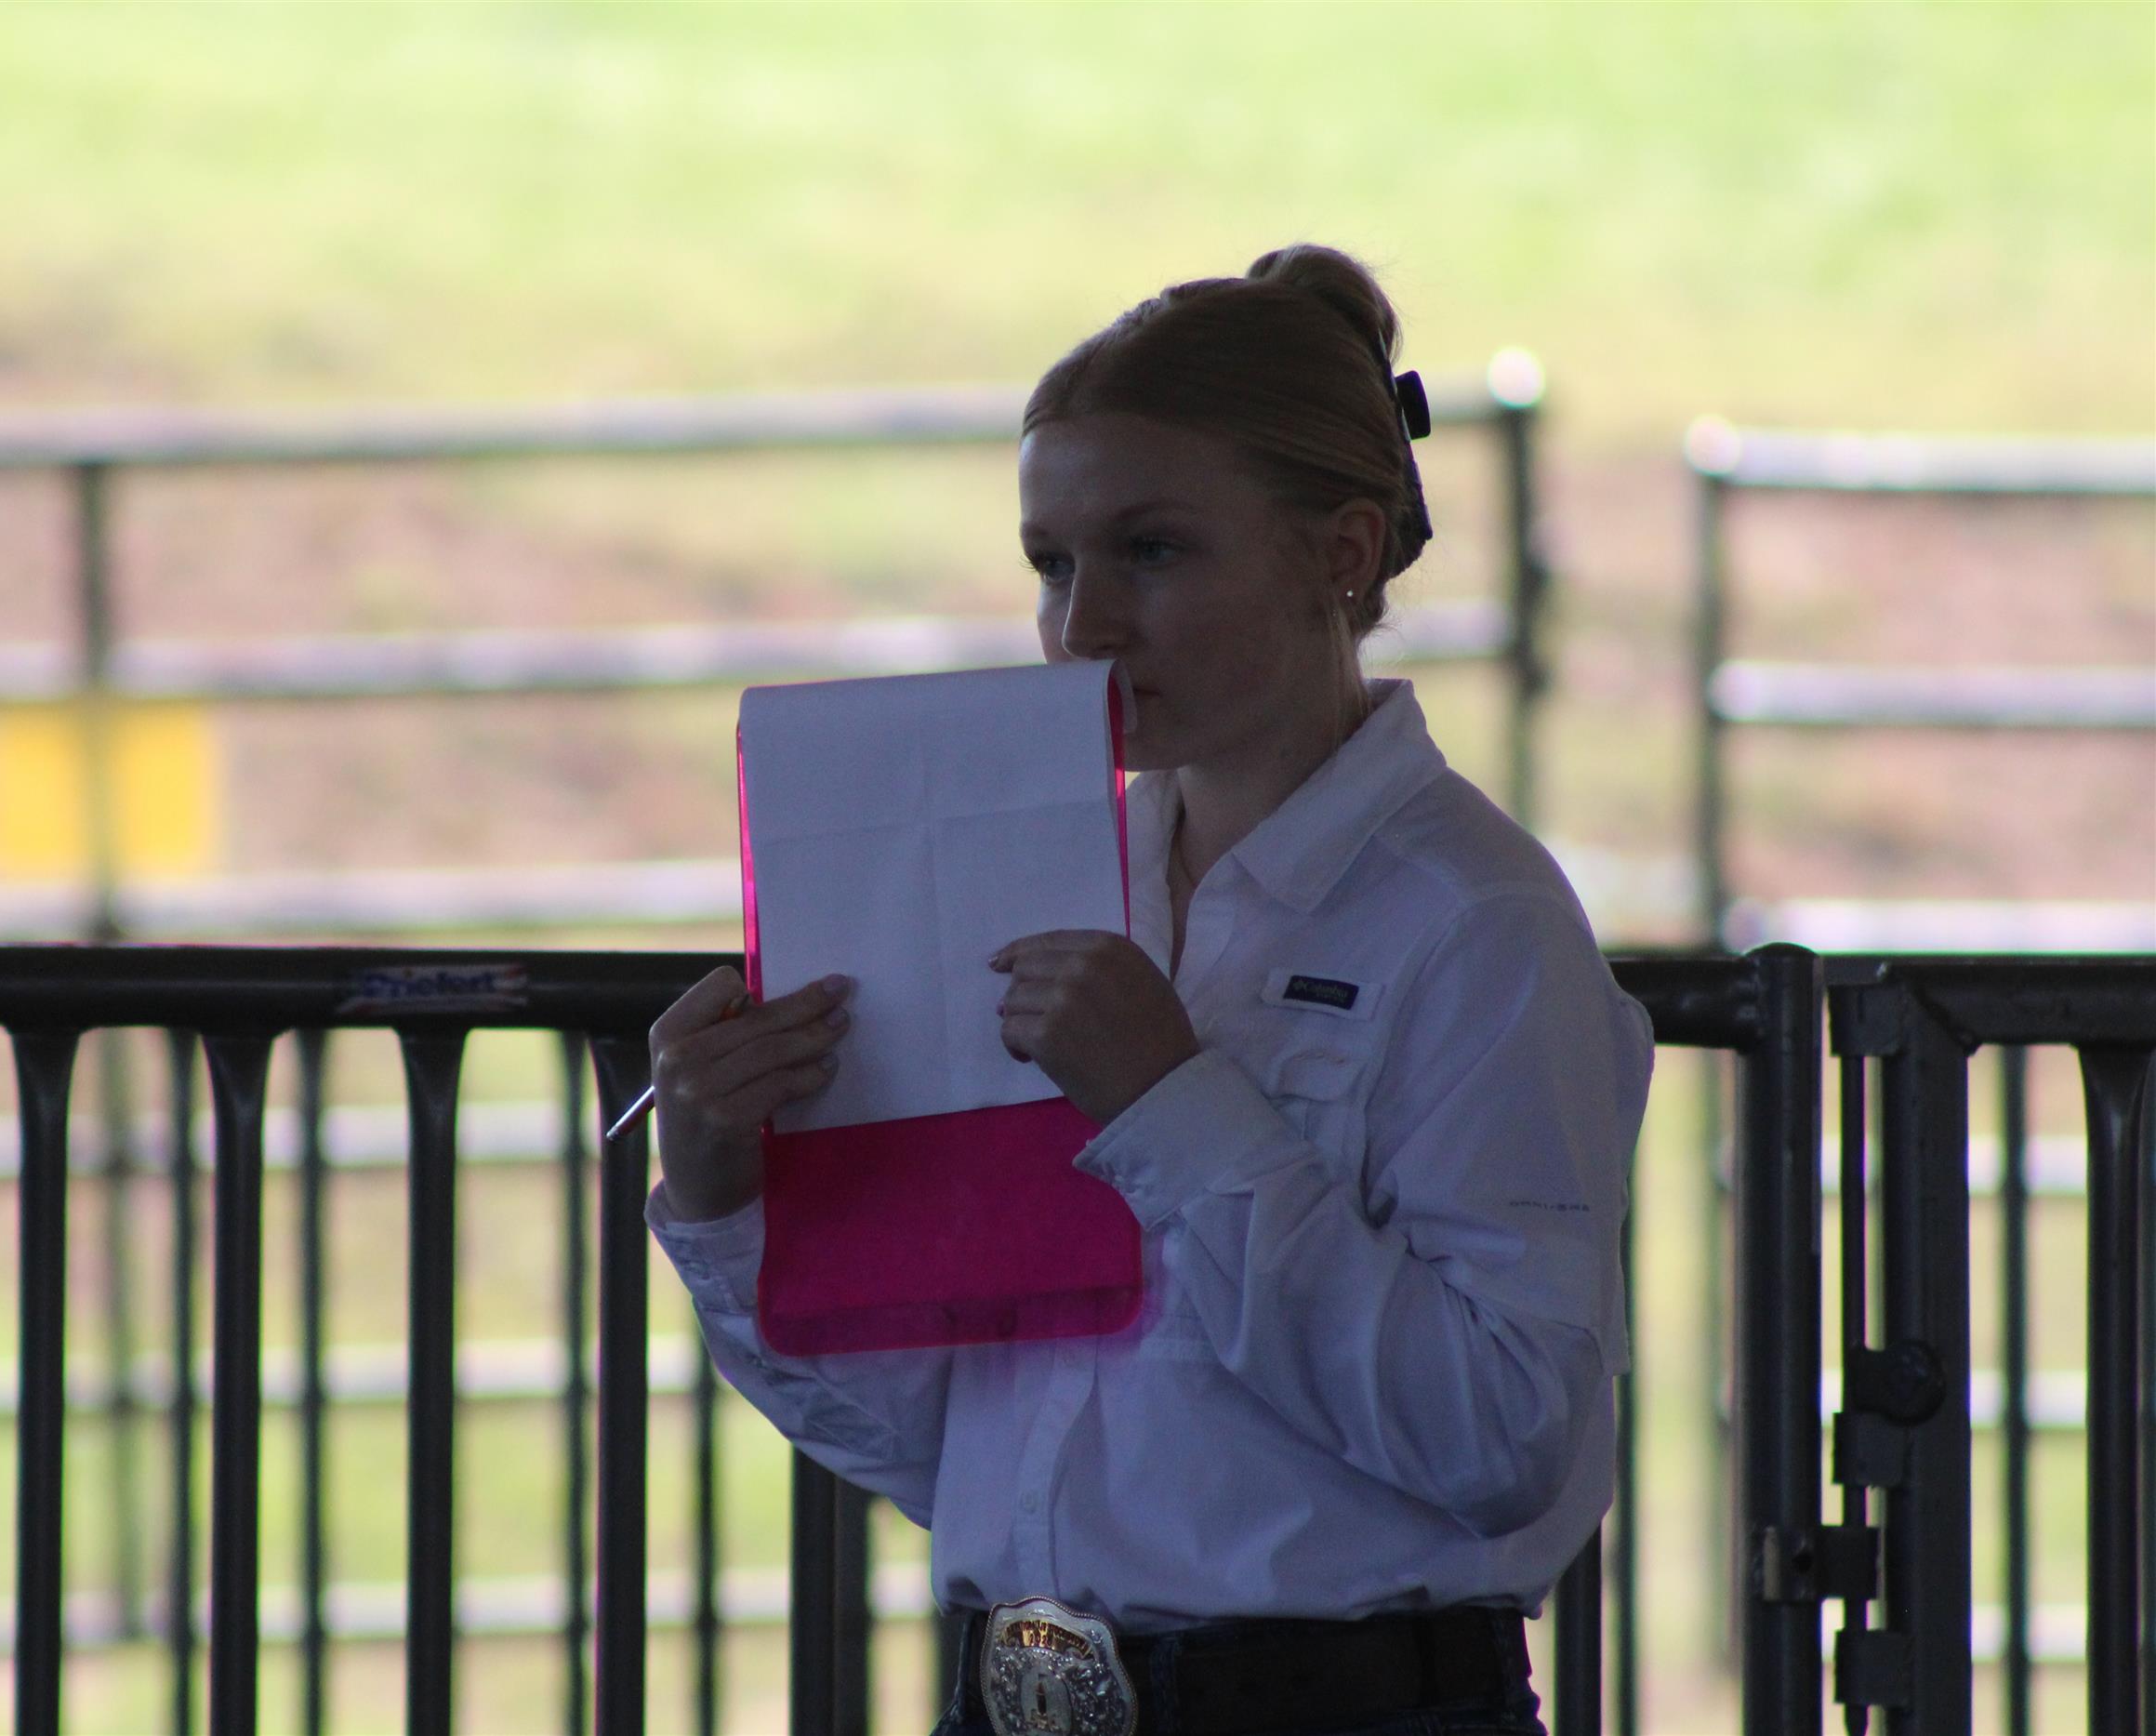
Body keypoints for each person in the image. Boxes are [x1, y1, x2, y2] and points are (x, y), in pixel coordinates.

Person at [643, 244, 1653, 1736]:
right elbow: (946, 1443)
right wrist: (727, 1200)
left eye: (1155, 552)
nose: (1084, 625)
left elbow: (1502, 1435)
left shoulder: (1473, 922)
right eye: (1053, 565)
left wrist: (1177, 1108)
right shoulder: (1032, 882)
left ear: (1343, 554)